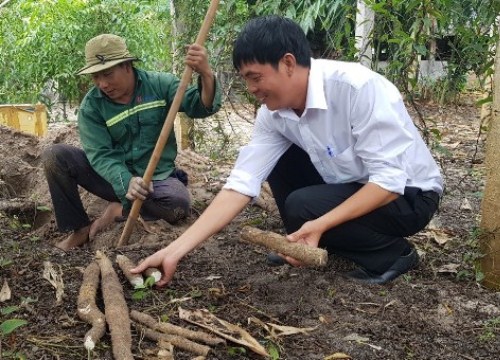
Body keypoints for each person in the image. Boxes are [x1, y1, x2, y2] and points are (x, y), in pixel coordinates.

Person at [131, 15, 443, 285]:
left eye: (256, 77)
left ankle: (393, 254)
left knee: (302, 207)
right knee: (280, 164)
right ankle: (311, 237)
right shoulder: (274, 113)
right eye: (246, 80)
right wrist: (174, 250)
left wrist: (319, 222)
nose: (252, 89)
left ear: (288, 63)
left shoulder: (357, 89)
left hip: (410, 195)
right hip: (351, 184)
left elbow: (389, 181)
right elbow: (242, 183)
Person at [42, 34, 221, 251]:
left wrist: (206, 74)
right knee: (55, 156)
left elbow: (199, 106)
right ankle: (80, 229)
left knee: (178, 205)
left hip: (156, 180)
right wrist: (127, 182)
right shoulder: (92, 106)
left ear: (127, 65)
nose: (103, 84)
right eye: (95, 77)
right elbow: (101, 155)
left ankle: (119, 210)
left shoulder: (160, 85)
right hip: (112, 179)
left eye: (107, 74)